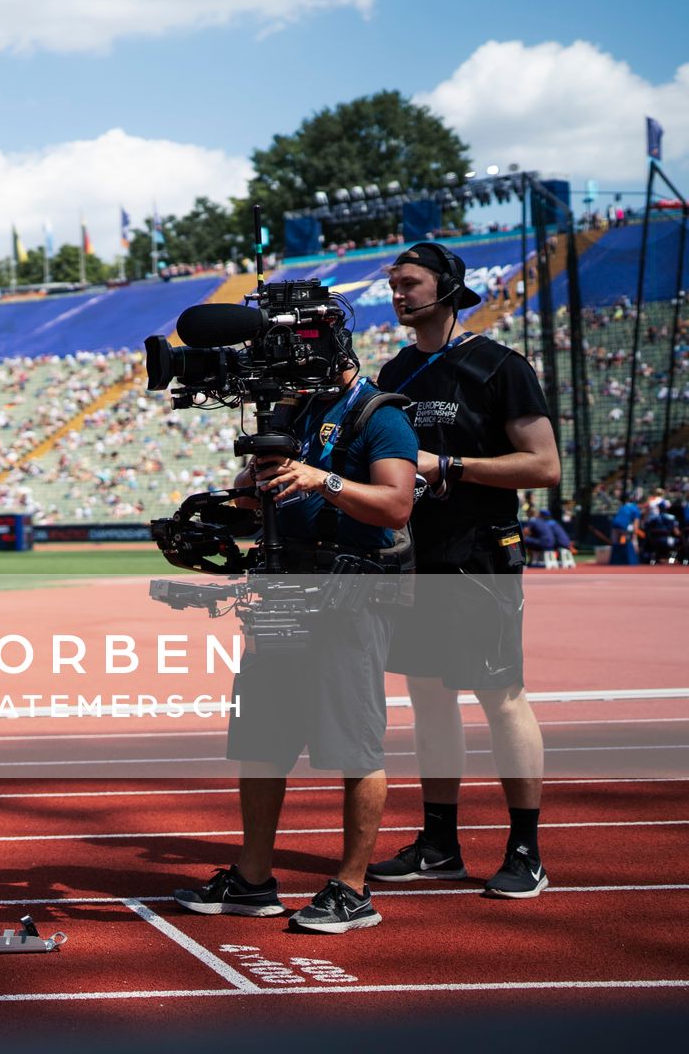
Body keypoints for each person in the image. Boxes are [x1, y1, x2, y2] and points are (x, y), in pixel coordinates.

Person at [173, 350, 418, 933]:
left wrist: (320, 478)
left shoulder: (380, 414)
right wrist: (247, 485)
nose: (284, 376)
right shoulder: (291, 412)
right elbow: (251, 502)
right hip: (280, 588)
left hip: (350, 591)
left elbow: (397, 504)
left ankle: (353, 890)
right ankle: (252, 879)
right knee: (261, 738)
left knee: (354, 742)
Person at [371, 242, 560, 899]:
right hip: (415, 556)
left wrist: (451, 466)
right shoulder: (396, 370)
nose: (398, 294)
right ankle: (439, 845)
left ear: (448, 287)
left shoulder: (500, 365)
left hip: (481, 553)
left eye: (409, 283)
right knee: (427, 697)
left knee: (500, 695)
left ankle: (526, 851)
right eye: (393, 284)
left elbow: (544, 466)